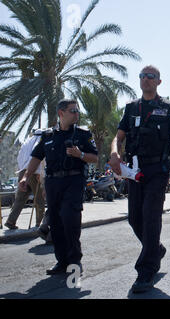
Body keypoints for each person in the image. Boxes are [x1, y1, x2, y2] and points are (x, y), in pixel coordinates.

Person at [110, 65, 170, 294]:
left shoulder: (169, 108)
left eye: (151, 76)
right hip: (135, 170)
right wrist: (114, 153)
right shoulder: (131, 108)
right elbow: (118, 136)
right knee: (134, 219)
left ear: (159, 81)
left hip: (158, 169)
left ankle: (146, 271)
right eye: (142, 76)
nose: (146, 79)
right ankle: (156, 249)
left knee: (151, 216)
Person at [19, 99, 98, 275]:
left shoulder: (83, 134)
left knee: (70, 220)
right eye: (73, 111)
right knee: (55, 223)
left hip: (74, 181)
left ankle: (74, 262)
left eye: (77, 110)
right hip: (53, 183)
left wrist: (80, 154)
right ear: (61, 113)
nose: (77, 114)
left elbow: (95, 158)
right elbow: (36, 159)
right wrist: (25, 176)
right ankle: (61, 262)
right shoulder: (48, 136)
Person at [4, 131, 45, 230]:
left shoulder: (27, 142)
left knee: (20, 198)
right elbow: (37, 157)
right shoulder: (39, 141)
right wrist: (40, 172)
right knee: (39, 199)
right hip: (34, 172)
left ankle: (10, 220)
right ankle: (39, 223)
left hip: (23, 171)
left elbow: (19, 157)